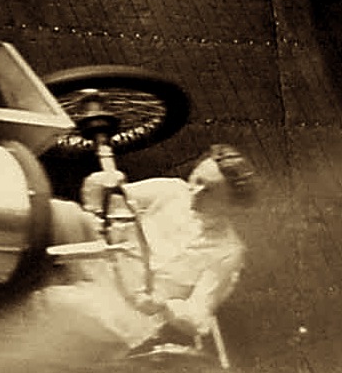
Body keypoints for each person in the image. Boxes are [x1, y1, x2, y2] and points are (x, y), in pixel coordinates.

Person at [40, 145, 257, 354]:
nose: (196, 191)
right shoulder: (171, 190)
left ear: (231, 206)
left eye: (209, 191)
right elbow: (103, 198)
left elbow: (199, 311)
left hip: (127, 311)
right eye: (197, 180)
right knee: (59, 212)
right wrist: (108, 184)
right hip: (101, 259)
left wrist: (176, 310)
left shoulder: (227, 251)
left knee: (57, 301)